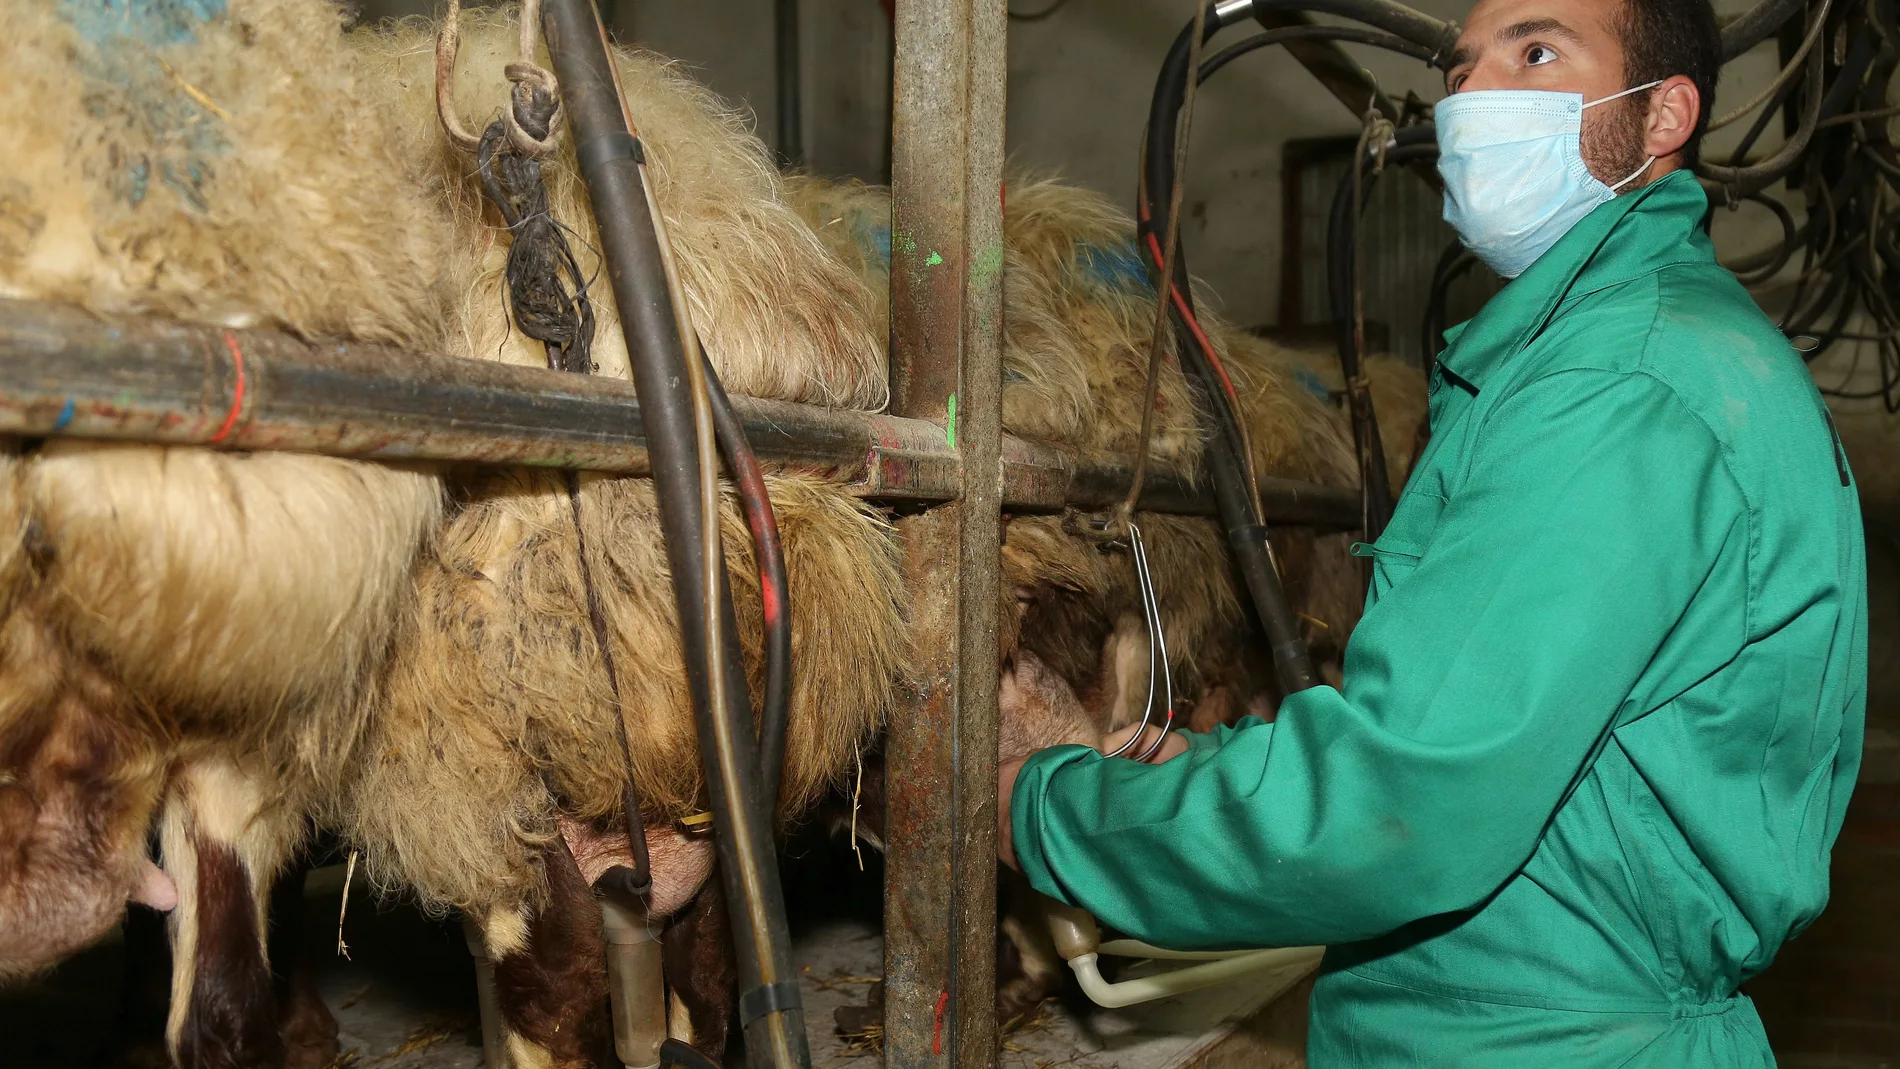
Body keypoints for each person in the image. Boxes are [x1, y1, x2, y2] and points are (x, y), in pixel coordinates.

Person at [997, 0, 1869, 1063]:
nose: (1474, 99)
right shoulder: (1613, 359)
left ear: (1661, 117)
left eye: (1537, 52)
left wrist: (1053, 811)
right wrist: (1200, 786)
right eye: (1461, 71)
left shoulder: (1617, 389)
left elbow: (1401, 797)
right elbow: (1488, 732)